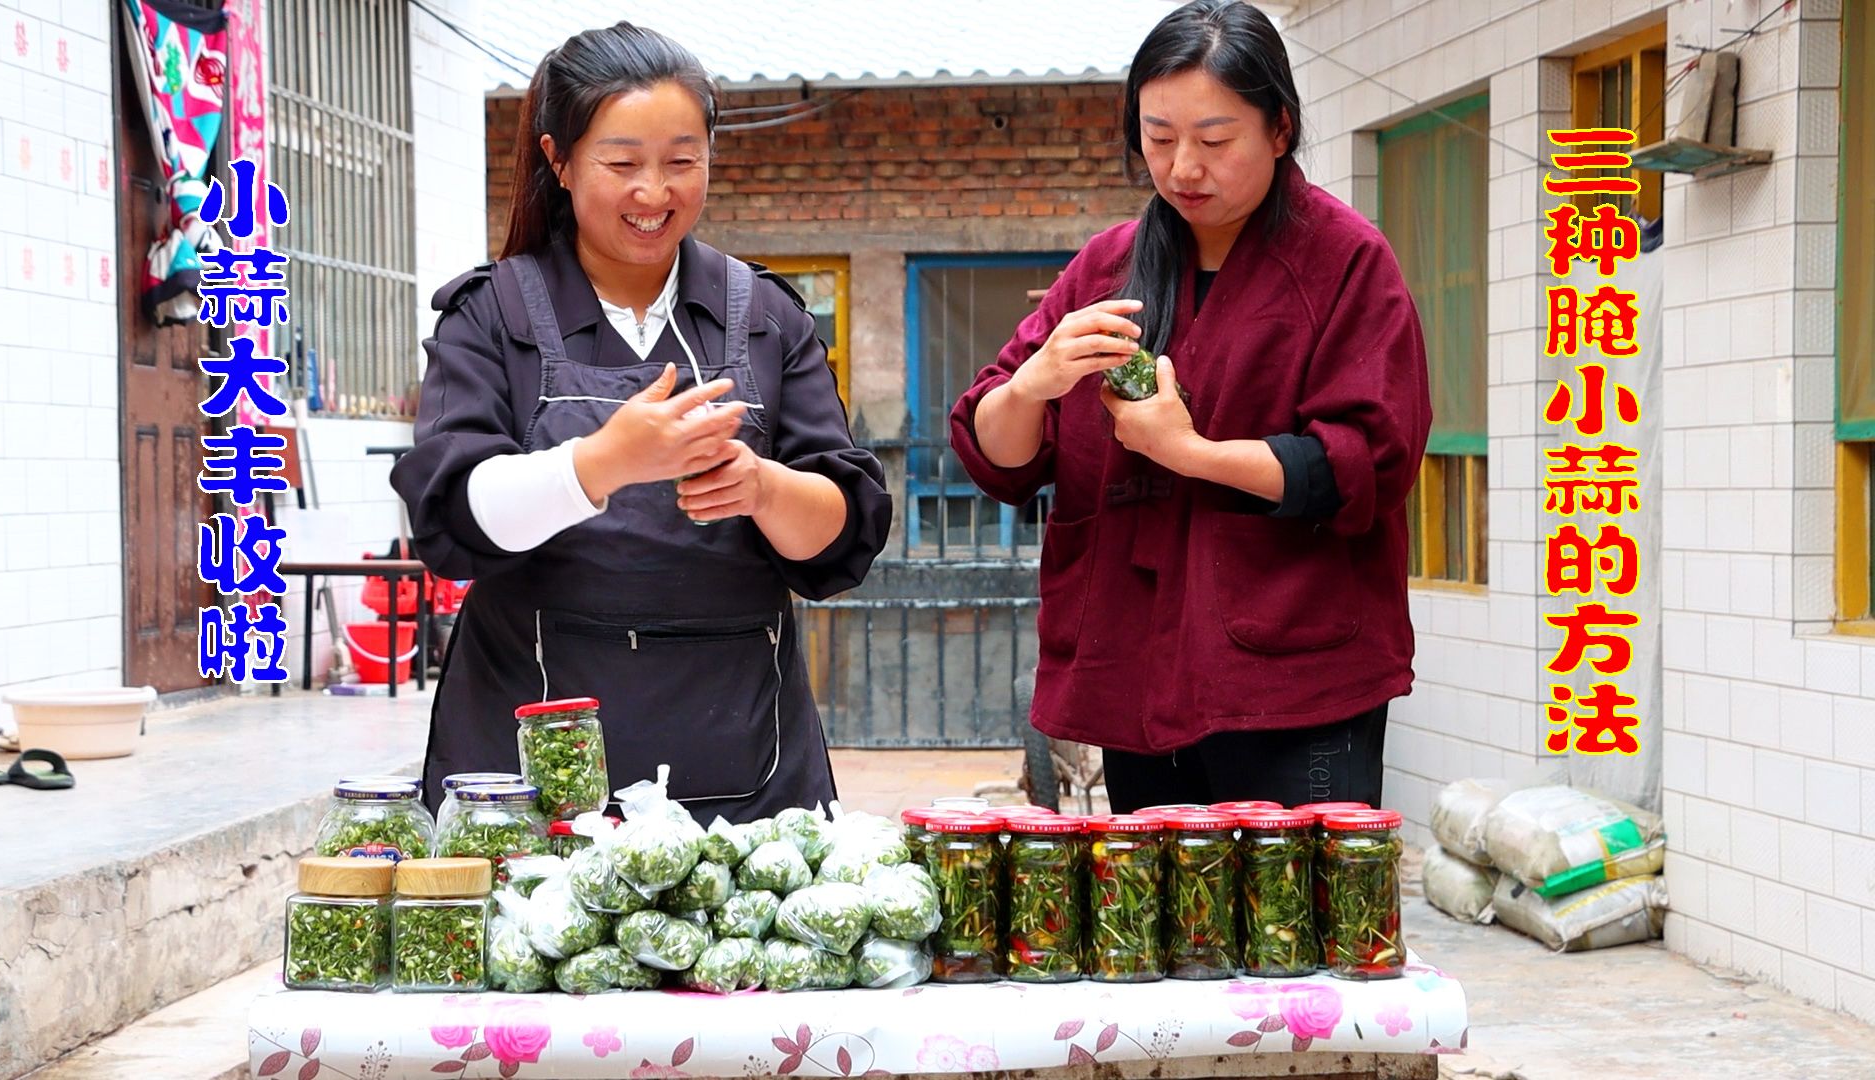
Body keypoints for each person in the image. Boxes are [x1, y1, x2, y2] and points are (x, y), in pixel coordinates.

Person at [392, 23, 891, 822]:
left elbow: (840, 538)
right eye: (621, 164)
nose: (654, 193)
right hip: (526, 759)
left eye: (682, 162)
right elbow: (452, 515)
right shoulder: (492, 316)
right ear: (557, 160)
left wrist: (759, 486)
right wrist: (600, 464)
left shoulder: (766, 318)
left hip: (742, 763)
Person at [949, 0, 1430, 812]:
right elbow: (991, 446)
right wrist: (1034, 382)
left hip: (1291, 675)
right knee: (1161, 930)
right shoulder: (1109, 266)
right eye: (1158, 137)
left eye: (1213, 140)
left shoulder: (1346, 262)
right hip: (1132, 663)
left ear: (1280, 129)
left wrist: (1188, 450)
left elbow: (1366, 464)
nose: (1182, 169)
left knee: (1298, 934)